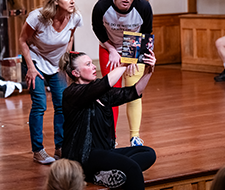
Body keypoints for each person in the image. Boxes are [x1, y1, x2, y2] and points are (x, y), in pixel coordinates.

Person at [59, 50, 157, 190]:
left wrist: (148, 70)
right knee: (132, 168)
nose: (94, 66)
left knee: (148, 153)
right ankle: (100, 174)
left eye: (92, 63)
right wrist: (124, 64)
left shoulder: (101, 93)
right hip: (83, 156)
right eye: (88, 64)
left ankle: (103, 175)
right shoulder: (71, 93)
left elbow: (134, 92)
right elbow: (105, 84)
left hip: (104, 152)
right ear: (76, 73)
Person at [19, 0, 83, 164]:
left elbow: (69, 40)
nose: (72, 1)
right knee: (39, 104)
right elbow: (23, 40)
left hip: (57, 64)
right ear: (56, 0)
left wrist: (65, 65)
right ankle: (38, 150)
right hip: (36, 61)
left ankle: (60, 147)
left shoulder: (75, 17)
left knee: (62, 104)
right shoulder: (37, 17)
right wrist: (30, 67)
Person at [92, 0, 153, 146]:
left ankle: (135, 136)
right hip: (109, 48)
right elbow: (97, 29)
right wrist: (111, 50)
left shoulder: (143, 7)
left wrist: (134, 57)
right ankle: (112, 137)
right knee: (111, 93)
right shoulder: (102, 6)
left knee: (134, 91)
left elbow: (146, 34)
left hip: (133, 48)